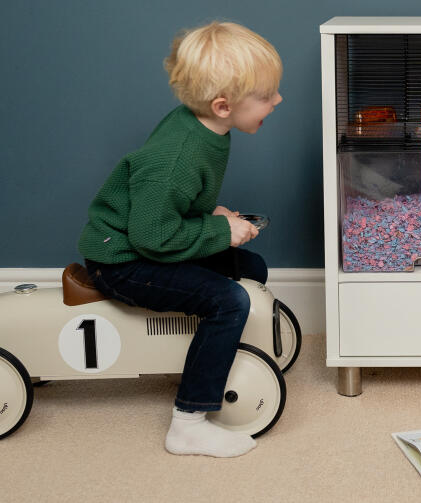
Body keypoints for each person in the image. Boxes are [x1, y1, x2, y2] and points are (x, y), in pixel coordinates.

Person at [77, 21, 283, 458]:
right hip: (123, 261)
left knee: (252, 269)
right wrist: (219, 230)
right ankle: (189, 423)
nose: (277, 100)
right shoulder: (178, 157)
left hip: (150, 240)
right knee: (230, 300)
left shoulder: (203, 128)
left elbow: (169, 205)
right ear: (223, 105)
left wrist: (213, 216)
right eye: (266, 96)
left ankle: (223, 355)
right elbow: (152, 235)